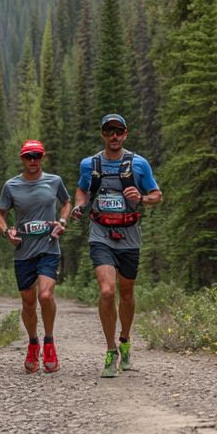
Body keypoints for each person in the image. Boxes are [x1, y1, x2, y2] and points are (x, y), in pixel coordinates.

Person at [71, 114, 162, 377]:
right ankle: (110, 350)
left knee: (127, 293)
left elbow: (158, 195)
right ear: (103, 134)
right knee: (108, 291)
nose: (114, 136)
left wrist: (142, 197)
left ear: (125, 134)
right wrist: (79, 205)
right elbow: (81, 190)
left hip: (129, 234)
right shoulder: (90, 164)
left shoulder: (139, 164)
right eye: (109, 131)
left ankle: (125, 340)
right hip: (100, 233)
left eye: (118, 131)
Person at [0, 139, 71, 373]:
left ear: (43, 157)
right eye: (29, 156)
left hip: (49, 247)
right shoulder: (11, 186)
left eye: (37, 156)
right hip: (23, 252)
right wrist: (7, 231)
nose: (33, 161)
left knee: (45, 296)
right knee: (28, 302)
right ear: (22, 158)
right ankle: (32, 342)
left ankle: (49, 342)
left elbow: (66, 203)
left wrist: (62, 221)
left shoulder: (54, 181)